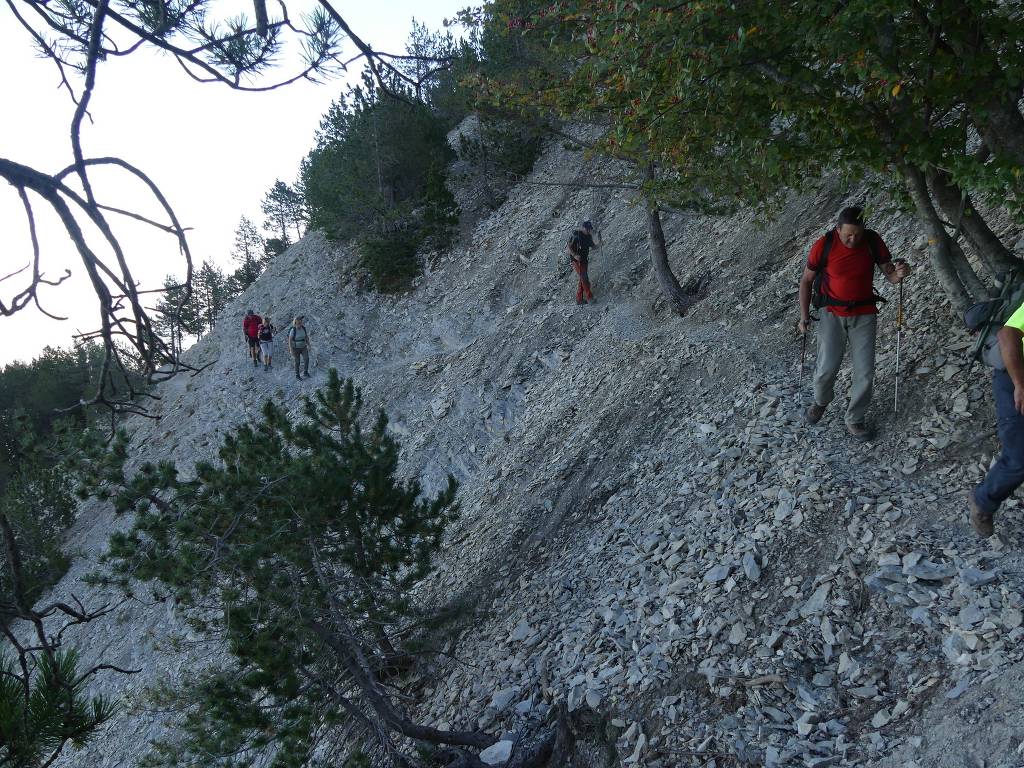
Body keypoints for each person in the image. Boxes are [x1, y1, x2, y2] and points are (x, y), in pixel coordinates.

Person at [797, 207, 911, 440]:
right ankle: (821, 401)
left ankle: (855, 418)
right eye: (848, 234)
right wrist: (804, 315)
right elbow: (806, 281)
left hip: (864, 313)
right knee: (826, 368)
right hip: (831, 312)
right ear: (838, 229)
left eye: (857, 234)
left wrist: (899, 275)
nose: (853, 239)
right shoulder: (824, 244)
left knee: (865, 371)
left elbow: (889, 274)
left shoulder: (872, 241)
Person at [969, 304, 1024, 537]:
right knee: (1020, 457)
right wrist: (1020, 385)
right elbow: (1007, 334)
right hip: (1015, 377)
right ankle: (982, 501)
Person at [565, 220, 601, 305]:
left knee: (582, 278)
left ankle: (579, 299)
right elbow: (568, 247)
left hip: (584, 260)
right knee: (585, 278)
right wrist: (574, 255)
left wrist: (600, 244)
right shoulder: (576, 235)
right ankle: (590, 298)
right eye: (587, 229)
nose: (589, 231)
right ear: (583, 228)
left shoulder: (588, 237)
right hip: (576, 261)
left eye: (590, 229)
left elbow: (593, 247)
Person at [288, 315, 311, 380]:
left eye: (301, 323)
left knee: (306, 358)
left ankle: (305, 372)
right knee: (297, 361)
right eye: (298, 323)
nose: (300, 324)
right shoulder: (293, 330)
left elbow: (306, 337)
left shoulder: (303, 328)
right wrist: (291, 349)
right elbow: (289, 340)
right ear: (295, 323)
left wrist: (309, 345)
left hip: (303, 347)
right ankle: (297, 375)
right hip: (295, 348)